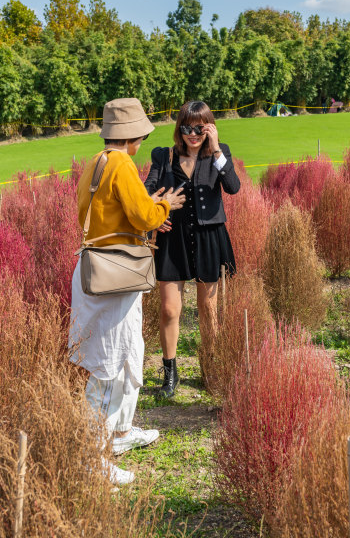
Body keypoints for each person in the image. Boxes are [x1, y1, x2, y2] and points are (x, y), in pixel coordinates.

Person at [69, 98, 185, 485]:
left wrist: (148, 205)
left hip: (101, 267)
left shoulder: (98, 162)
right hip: (113, 273)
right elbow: (142, 216)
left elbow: (107, 211)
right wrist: (164, 205)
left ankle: (118, 433)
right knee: (109, 360)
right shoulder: (122, 163)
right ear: (134, 134)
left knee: (124, 351)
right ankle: (89, 459)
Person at [144, 100, 240, 398]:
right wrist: (155, 215)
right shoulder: (163, 156)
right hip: (172, 240)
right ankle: (170, 375)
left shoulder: (218, 153)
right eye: (187, 128)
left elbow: (233, 187)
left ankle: (210, 369)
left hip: (209, 237)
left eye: (199, 128)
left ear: (209, 127)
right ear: (179, 129)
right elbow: (147, 191)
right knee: (170, 308)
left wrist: (216, 149)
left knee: (208, 307)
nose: (193, 134)